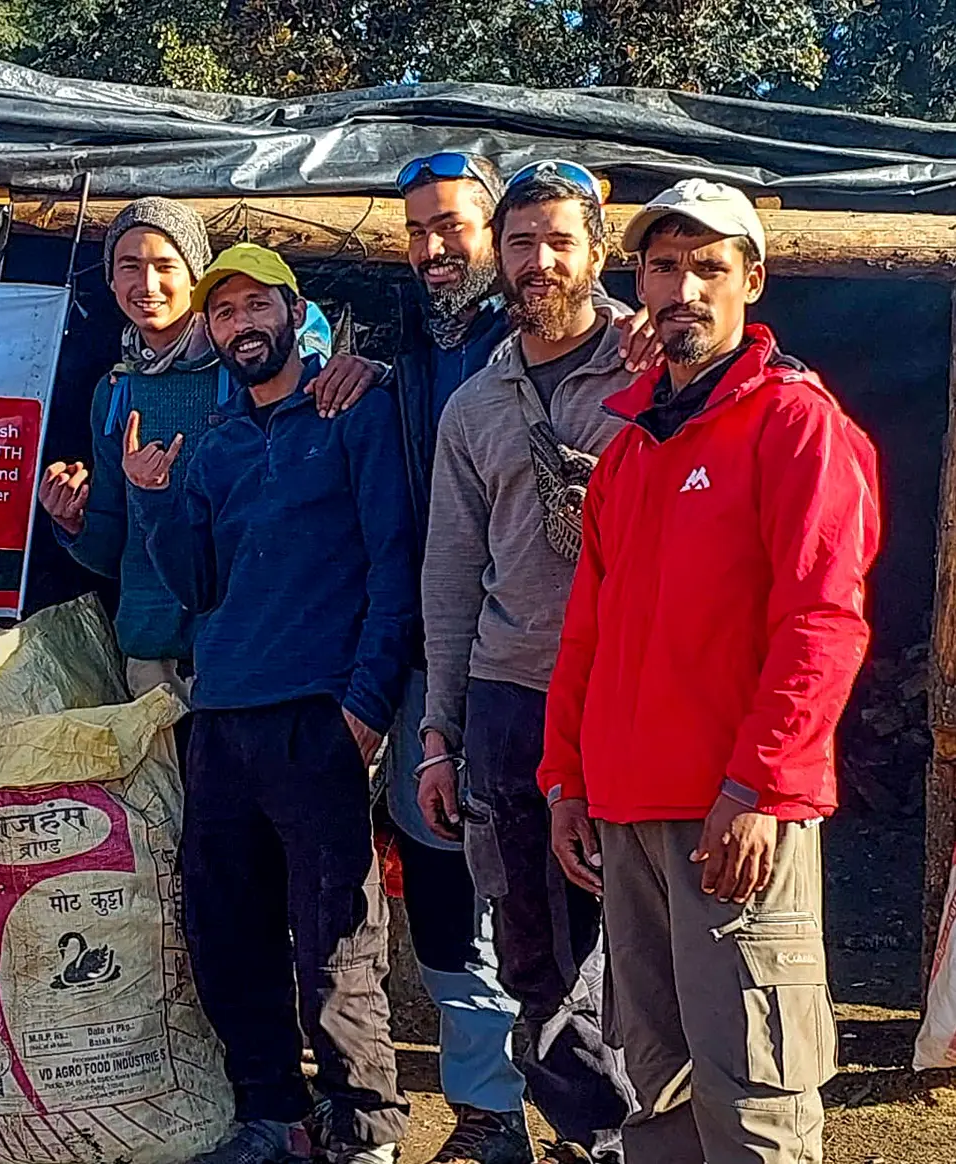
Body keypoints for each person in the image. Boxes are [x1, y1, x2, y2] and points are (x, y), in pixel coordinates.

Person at [541, 179, 878, 1164]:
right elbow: (586, 636)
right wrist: (566, 780)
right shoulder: (630, 452)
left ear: (752, 281)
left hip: (734, 816)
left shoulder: (794, 426)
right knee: (654, 1087)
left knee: (754, 1095)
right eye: (660, 265)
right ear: (637, 281)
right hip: (626, 813)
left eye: (706, 265)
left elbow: (822, 621)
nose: (680, 286)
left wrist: (761, 787)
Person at [128, 244, 415, 1164]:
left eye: (257, 306)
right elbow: (195, 583)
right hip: (224, 719)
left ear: (294, 314)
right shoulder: (214, 445)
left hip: (317, 715)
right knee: (225, 929)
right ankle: (273, 1116)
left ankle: (364, 1127)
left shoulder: (353, 413)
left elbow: (394, 562)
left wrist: (367, 702)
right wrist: (155, 500)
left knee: (335, 937)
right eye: (224, 314)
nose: (241, 324)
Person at [308, 153, 530, 1163]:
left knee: (551, 889)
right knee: (442, 881)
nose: (435, 247)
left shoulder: (552, 344)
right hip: (428, 669)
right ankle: (488, 1112)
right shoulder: (406, 354)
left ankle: (594, 1110)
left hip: (535, 669)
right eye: (417, 230)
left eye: (453, 225)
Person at [417, 162, 637, 1164]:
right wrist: (438, 734)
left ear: (598, 250)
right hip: (512, 701)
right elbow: (452, 573)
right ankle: (592, 1135)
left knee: (641, 934)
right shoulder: (473, 404)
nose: (538, 261)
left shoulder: (655, 370)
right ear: (497, 260)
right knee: (532, 945)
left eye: (558, 240)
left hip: (637, 696)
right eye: (519, 243)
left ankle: (652, 1130)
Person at [36, 198, 225, 700]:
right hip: (149, 658)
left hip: (239, 650)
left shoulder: (244, 372)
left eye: (166, 265)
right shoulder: (116, 391)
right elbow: (114, 544)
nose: (147, 285)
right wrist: (72, 522)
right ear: (112, 282)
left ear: (195, 276)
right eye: (130, 267)